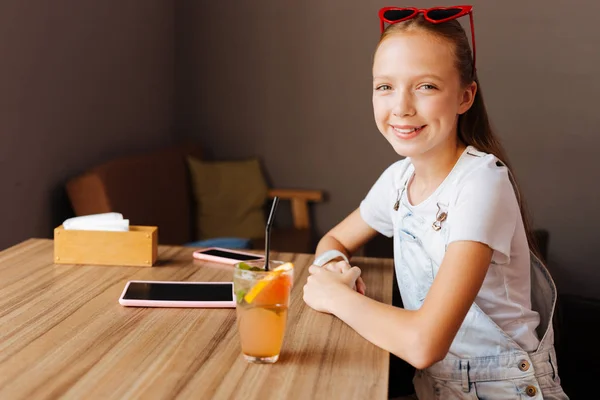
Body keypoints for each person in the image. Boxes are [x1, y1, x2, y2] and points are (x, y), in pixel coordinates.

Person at [303, 5, 568, 399]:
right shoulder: (398, 179)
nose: (401, 107)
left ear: (465, 97)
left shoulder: (482, 183)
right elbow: (333, 241)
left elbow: (424, 344)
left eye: (425, 86)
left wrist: (335, 296)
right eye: (385, 86)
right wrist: (336, 271)